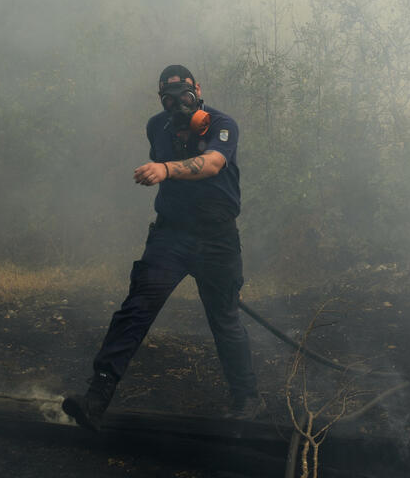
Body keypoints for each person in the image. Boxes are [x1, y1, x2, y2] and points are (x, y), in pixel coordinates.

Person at [62, 64, 261, 432]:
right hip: (171, 236)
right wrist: (165, 168)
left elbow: (215, 163)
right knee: (134, 311)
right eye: (169, 98)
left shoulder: (223, 124)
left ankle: (246, 399)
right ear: (161, 101)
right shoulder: (157, 126)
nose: (178, 104)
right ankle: (95, 400)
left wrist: (166, 169)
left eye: (185, 95)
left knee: (226, 320)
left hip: (218, 239)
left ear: (198, 90)